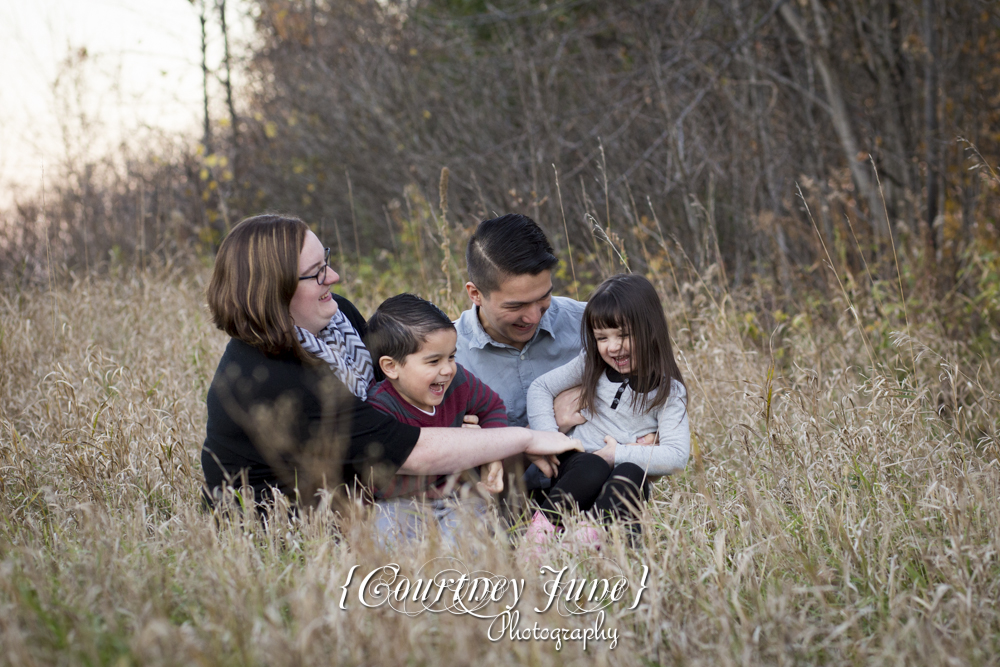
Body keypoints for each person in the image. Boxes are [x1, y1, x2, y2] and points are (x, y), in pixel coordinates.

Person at [201, 214, 580, 511]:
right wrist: (529, 434)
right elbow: (405, 450)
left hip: (371, 491)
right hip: (289, 520)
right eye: (316, 273)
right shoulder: (268, 376)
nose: (333, 276)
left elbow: (397, 382)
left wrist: (456, 414)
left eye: (326, 261)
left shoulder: (338, 318)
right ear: (275, 290)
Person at [524, 273, 690, 543]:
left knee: (632, 473)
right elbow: (541, 388)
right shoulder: (591, 363)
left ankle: (589, 542)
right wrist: (549, 438)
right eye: (602, 338)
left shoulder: (669, 391)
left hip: (620, 485)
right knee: (592, 466)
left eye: (623, 335)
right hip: (577, 472)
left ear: (651, 330)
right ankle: (540, 535)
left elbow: (677, 456)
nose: (613, 347)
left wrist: (618, 454)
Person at [364, 293, 508, 542]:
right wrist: (460, 452)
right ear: (391, 367)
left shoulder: (459, 382)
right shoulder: (381, 409)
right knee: (386, 536)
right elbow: (378, 482)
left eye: (451, 356)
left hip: (459, 496)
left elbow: (493, 407)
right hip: (400, 503)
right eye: (433, 361)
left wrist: (492, 455)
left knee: (467, 538)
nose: (447, 369)